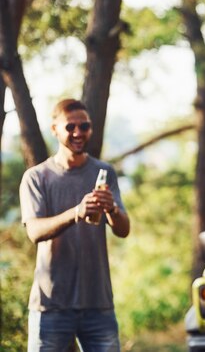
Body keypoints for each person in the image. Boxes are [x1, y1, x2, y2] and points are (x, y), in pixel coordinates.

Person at [19, 98, 131, 352]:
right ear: (55, 129)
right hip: (50, 306)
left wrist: (111, 208)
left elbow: (123, 230)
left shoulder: (104, 172)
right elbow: (34, 232)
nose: (78, 133)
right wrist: (76, 213)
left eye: (85, 126)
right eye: (70, 127)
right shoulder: (36, 177)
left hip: (98, 304)